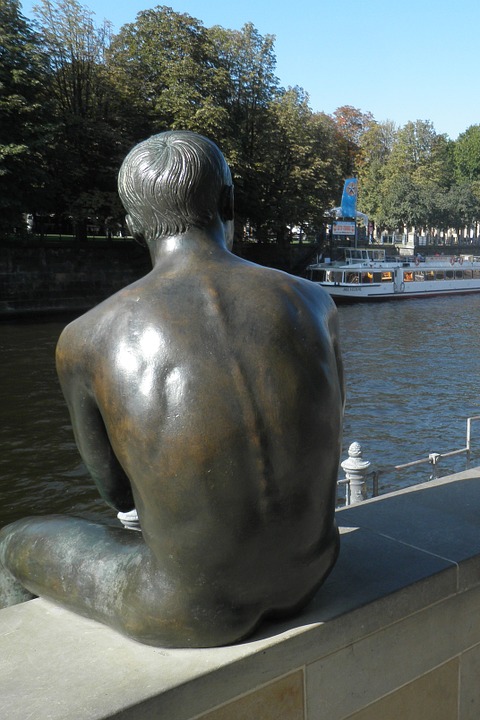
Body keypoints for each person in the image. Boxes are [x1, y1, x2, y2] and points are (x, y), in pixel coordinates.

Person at [0, 131, 344, 647]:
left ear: (132, 225)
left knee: (10, 543)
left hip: (186, 610)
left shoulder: (85, 338)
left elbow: (115, 491)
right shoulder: (315, 303)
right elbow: (330, 425)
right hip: (314, 570)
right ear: (228, 203)